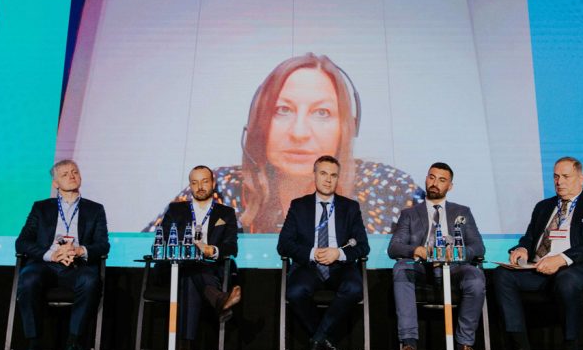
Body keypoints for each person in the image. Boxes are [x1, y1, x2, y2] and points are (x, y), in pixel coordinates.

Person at [146, 53, 421, 234]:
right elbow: (141, 251)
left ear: (346, 128)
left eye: (322, 112)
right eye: (282, 110)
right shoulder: (219, 188)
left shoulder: (389, 189)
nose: (299, 132)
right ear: (258, 124)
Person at [493, 156, 583, 350]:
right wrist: (522, 249)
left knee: (567, 279)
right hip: (540, 269)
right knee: (502, 275)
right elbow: (530, 238)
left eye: (566, 176)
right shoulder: (544, 206)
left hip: (578, 269)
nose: (559, 182)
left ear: (581, 178)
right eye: (556, 177)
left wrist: (562, 258)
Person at [385, 162, 487, 350]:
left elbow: (478, 246)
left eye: (442, 180)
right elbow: (394, 247)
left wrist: (459, 253)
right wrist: (415, 249)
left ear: (450, 186)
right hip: (421, 268)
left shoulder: (462, 212)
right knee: (401, 269)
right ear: (426, 179)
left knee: (476, 277)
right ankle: (409, 348)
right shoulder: (409, 214)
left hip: (454, 267)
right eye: (432, 177)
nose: (435, 183)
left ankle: (465, 348)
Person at [277, 155, 370, 350]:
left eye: (333, 175)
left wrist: (339, 253)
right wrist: (312, 252)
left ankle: (317, 341)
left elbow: (363, 246)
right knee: (295, 292)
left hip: (340, 267)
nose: (328, 179)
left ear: (338, 179)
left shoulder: (350, 207)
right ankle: (327, 344)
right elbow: (284, 245)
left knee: (355, 289)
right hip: (308, 266)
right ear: (315, 175)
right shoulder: (299, 206)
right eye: (323, 173)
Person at [15, 160, 109, 350]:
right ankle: (34, 345)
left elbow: (103, 245)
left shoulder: (95, 209)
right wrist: (52, 255)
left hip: (77, 265)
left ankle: (74, 343)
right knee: (28, 279)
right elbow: (22, 242)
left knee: (91, 281)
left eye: (75, 172)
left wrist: (80, 250)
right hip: (45, 265)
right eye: (65, 174)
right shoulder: (41, 208)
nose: (72, 176)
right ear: (55, 183)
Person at [158, 165, 242, 350]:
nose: (200, 187)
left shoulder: (226, 213)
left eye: (204, 181)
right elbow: (164, 239)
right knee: (189, 270)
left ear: (213, 183)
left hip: (210, 268)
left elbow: (232, 247)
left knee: (192, 276)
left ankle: (184, 349)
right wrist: (189, 249)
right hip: (177, 268)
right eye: (195, 183)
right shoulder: (175, 210)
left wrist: (212, 250)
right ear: (190, 186)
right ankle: (219, 299)